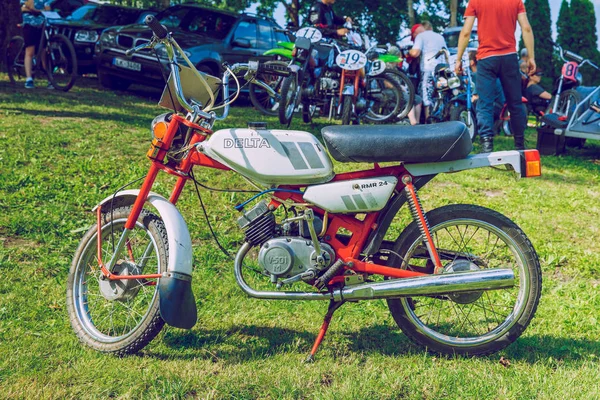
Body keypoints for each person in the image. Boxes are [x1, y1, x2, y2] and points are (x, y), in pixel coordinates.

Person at [455, 0, 535, 152]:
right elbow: (526, 28)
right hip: (509, 57)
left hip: (486, 59)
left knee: (485, 103)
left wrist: (458, 59)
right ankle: (519, 144)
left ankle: (486, 145)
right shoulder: (516, 1)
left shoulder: (475, 2)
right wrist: (531, 57)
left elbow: (466, 32)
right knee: (515, 103)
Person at [408, 21, 447, 121]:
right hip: (442, 69)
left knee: (426, 98)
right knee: (438, 96)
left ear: (422, 27)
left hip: (428, 69)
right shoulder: (440, 37)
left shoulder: (421, 36)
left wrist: (409, 52)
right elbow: (446, 53)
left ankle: (428, 124)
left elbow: (415, 53)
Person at [20, 0, 52, 89]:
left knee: (44, 52)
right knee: (30, 51)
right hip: (30, 22)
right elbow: (29, 5)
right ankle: (29, 79)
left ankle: (50, 79)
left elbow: (48, 6)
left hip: (43, 24)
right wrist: (41, 10)